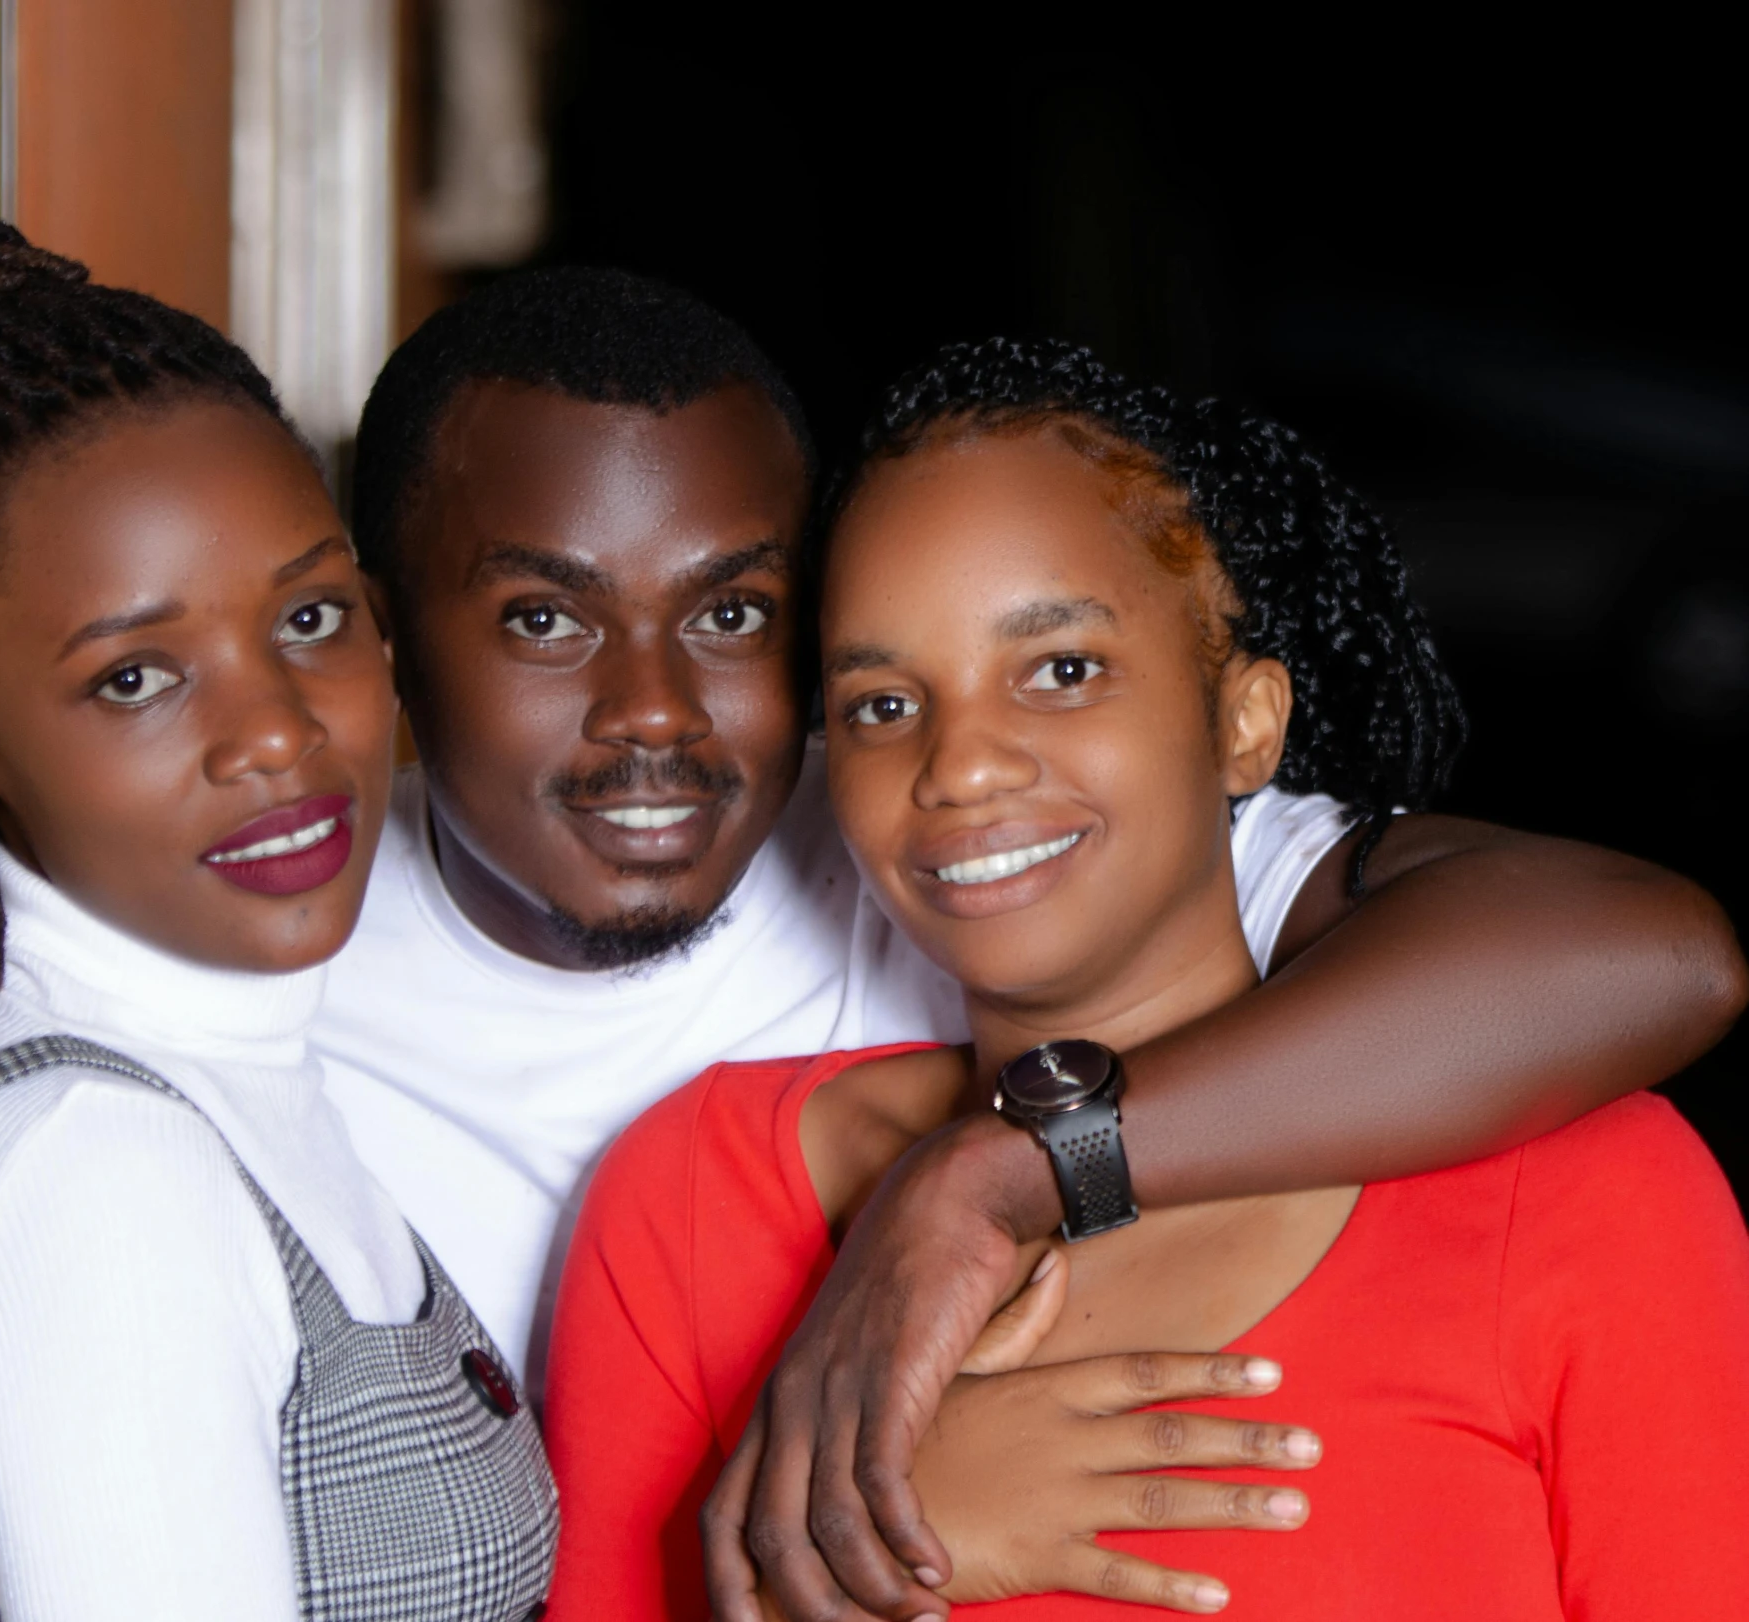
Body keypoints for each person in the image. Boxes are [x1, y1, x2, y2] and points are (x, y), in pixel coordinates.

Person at [320, 267, 1743, 1430]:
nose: (651, 713)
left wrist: (1009, 1166)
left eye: (733, 614)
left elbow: (1644, 952)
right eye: (543, 621)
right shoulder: (263, 986)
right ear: (374, 640)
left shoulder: (949, 834)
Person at [543, 338, 1749, 1619]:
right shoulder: (693, 1197)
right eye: (884, 704)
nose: (960, 766)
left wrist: (998, 1171)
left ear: (1244, 723)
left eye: (1060, 670)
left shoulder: (1588, 1192)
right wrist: (872, 1547)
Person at [0, 217, 556, 1622]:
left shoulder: (217, 1080)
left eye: (306, 618)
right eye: (135, 677)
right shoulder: (88, 1181)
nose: (273, 733)